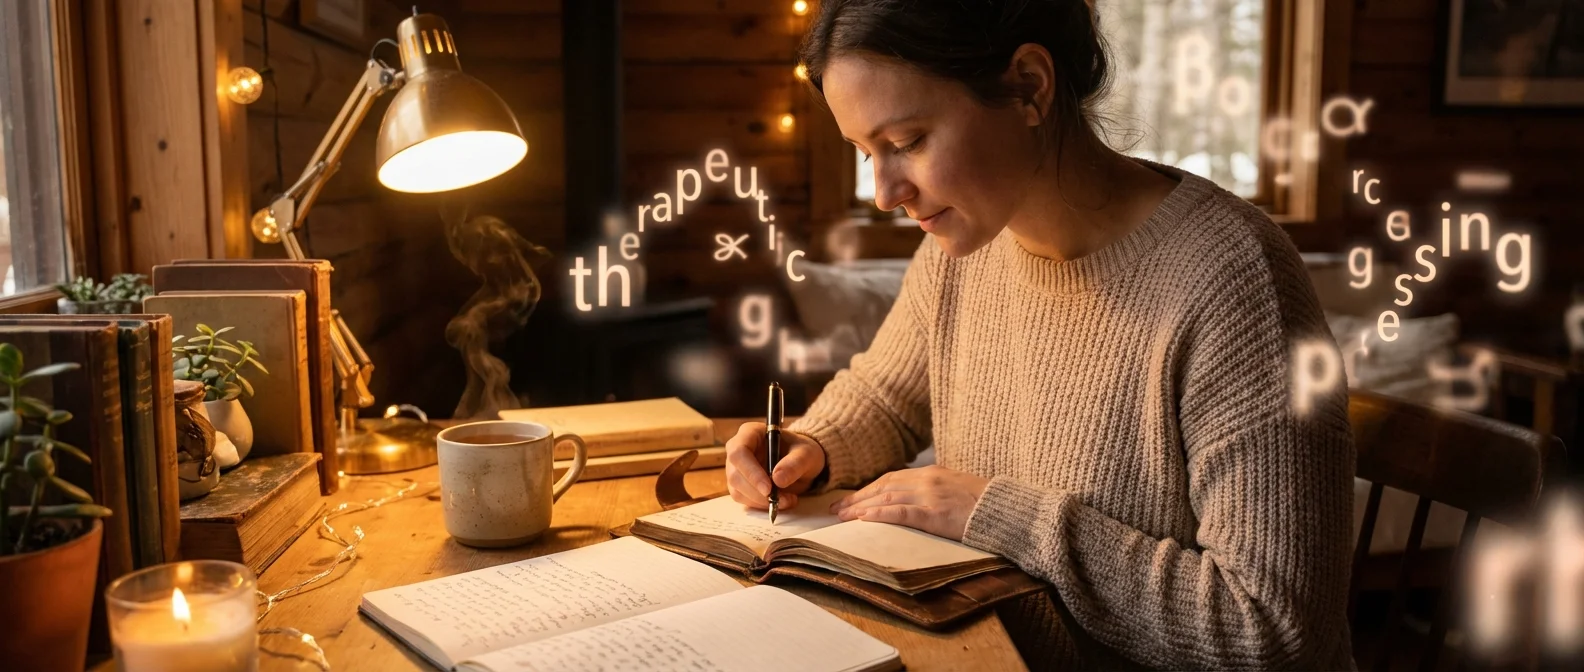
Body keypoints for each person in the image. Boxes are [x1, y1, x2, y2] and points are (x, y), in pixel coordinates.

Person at [723, 0, 1356, 668]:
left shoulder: (1232, 277)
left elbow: (1272, 628)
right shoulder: (960, 249)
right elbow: (885, 396)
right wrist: (810, 446)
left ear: (1028, 86)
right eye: (864, 153)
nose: (884, 192)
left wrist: (1004, 518)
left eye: (906, 142)